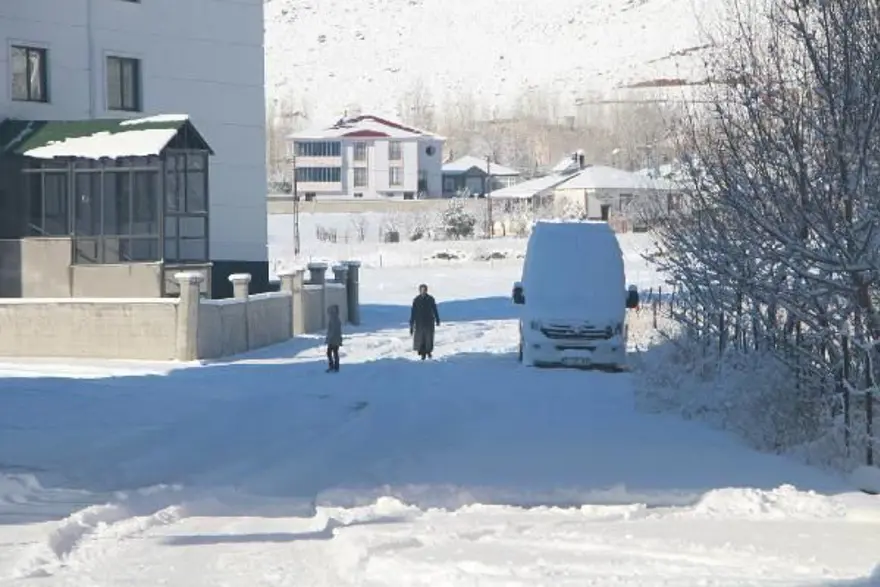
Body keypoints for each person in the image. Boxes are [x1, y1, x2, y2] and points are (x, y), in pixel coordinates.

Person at [410, 283, 440, 360]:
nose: (423, 291)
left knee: (429, 338)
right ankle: (422, 353)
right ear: (419, 291)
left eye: (424, 290)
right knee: (421, 338)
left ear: (426, 290)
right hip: (419, 322)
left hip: (429, 321)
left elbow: (434, 309)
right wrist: (411, 324)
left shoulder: (430, 299)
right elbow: (413, 312)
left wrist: (437, 319)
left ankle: (429, 352)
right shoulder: (416, 300)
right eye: (421, 290)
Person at [325, 304, 343, 372]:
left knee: (330, 352)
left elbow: (332, 331)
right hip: (336, 339)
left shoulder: (334, 319)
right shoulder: (335, 319)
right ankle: (335, 366)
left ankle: (333, 366)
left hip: (333, 340)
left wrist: (329, 338)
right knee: (334, 352)